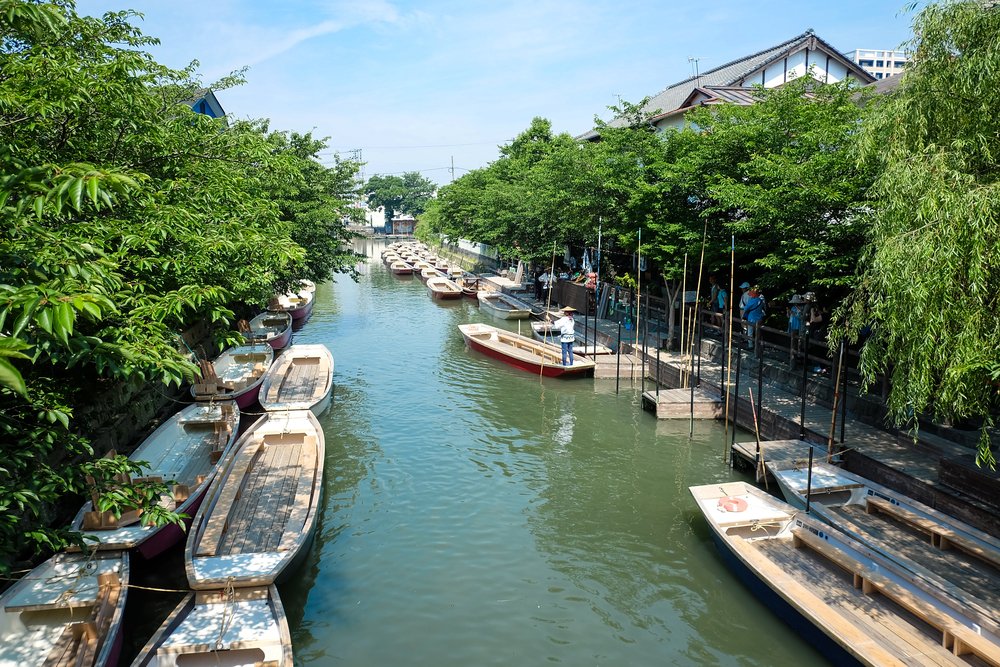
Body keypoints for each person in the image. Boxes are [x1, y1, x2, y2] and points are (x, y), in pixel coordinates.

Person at [742, 287, 765, 351]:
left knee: (750, 332)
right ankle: (758, 344)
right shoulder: (760, 300)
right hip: (759, 318)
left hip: (751, 318)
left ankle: (750, 345)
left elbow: (746, 308)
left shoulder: (752, 301)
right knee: (758, 332)